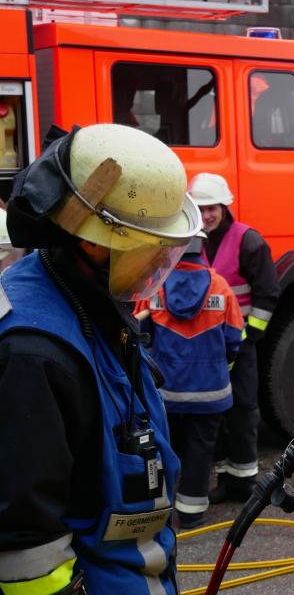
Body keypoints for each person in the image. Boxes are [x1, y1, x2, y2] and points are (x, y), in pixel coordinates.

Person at [0, 123, 201, 593]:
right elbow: (26, 546)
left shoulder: (86, 301)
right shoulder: (34, 354)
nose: (157, 264)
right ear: (92, 241)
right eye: (149, 247)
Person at [135, 231, 243, 529]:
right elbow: (234, 337)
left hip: (167, 393)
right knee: (200, 452)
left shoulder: (154, 287)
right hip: (210, 392)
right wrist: (225, 364)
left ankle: (161, 512)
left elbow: (138, 334)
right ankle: (192, 513)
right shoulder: (219, 285)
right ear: (202, 247)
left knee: (164, 449)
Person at [186, 172, 281, 503]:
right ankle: (226, 480)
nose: (207, 215)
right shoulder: (189, 240)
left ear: (225, 207)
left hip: (239, 346)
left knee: (242, 411)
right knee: (215, 415)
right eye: (201, 208)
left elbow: (267, 294)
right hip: (204, 348)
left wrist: (250, 336)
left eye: (212, 208)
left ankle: (245, 484)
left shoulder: (248, 241)